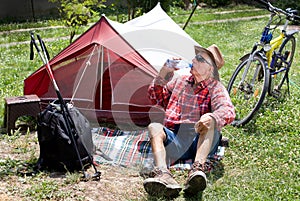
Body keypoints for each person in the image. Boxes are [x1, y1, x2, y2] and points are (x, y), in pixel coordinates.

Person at [143, 45, 235, 198]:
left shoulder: (215, 87)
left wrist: (212, 117)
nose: (193, 60)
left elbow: (227, 110)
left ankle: (197, 170)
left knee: (211, 123)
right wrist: (164, 71)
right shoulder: (181, 80)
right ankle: (163, 173)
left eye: (200, 59)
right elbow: (155, 96)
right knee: (154, 127)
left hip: (200, 141)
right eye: (195, 57)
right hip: (176, 140)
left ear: (210, 69)